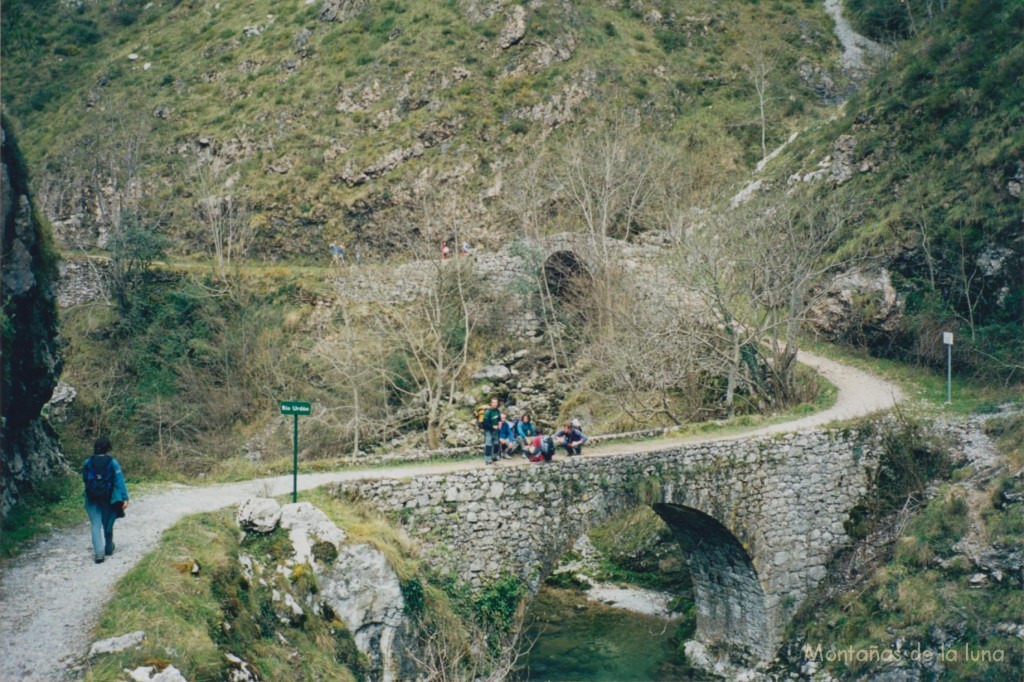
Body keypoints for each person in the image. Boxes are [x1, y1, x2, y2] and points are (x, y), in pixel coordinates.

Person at [83, 436, 129, 564]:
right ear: (108, 448)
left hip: (91, 497)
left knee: (95, 524)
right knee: (107, 523)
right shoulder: (113, 462)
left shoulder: (87, 462)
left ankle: (99, 554)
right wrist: (125, 498)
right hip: (107, 497)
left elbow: (85, 480)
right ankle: (108, 548)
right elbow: (120, 481)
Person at [481, 397, 502, 465]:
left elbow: (498, 419)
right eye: (494, 402)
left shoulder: (497, 411)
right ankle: (487, 459)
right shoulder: (488, 412)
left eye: (496, 402)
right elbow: (485, 423)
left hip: (496, 430)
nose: (495, 404)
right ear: (491, 403)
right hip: (488, 430)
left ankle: (494, 457)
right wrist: (492, 426)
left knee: (496, 444)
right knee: (489, 444)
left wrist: (499, 423)